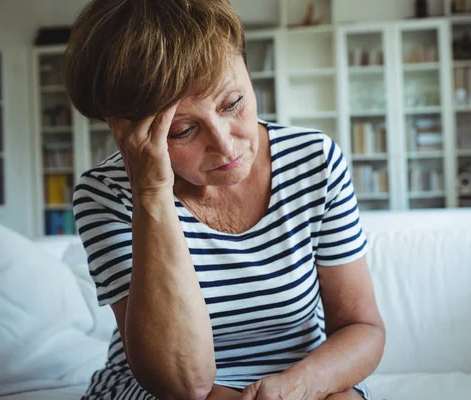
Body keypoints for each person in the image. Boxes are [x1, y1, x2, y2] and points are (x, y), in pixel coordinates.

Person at [65, 1, 385, 399]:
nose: (224, 142)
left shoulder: (313, 160)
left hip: (302, 378)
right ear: (125, 132)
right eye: (182, 130)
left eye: (232, 103)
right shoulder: (106, 193)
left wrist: (299, 386)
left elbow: (362, 329)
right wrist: (152, 194)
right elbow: (181, 384)